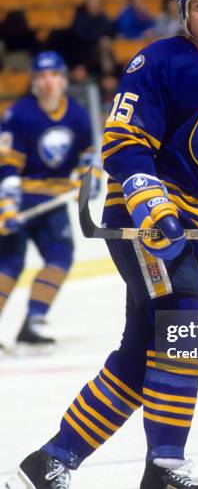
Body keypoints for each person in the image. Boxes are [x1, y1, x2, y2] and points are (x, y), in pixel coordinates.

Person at [5, 0, 198, 489]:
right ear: (184, 11)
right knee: (185, 327)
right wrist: (152, 203)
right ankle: (165, 471)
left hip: (197, 236)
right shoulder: (157, 62)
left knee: (140, 357)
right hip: (146, 227)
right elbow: (124, 143)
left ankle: (50, 462)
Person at [0, 51, 99, 352]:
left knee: (60, 256)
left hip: (53, 200)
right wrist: (6, 205)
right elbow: (7, 163)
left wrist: (88, 179)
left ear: (63, 78)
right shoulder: (19, 114)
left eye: (53, 75)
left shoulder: (77, 114)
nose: (47, 82)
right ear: (33, 81)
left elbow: (87, 155)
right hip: (20, 197)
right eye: (41, 76)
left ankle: (34, 322)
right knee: (9, 263)